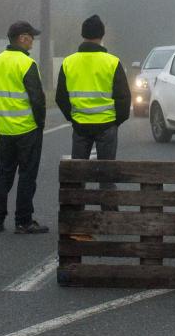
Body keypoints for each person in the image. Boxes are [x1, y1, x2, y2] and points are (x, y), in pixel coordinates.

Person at [56, 14, 131, 232]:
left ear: (83, 34)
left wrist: (73, 117)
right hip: (107, 125)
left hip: (80, 125)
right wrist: (116, 121)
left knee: (79, 174)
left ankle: (77, 217)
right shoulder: (112, 62)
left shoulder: (69, 62)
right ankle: (109, 216)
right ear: (102, 35)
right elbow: (123, 97)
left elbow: (60, 96)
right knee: (107, 174)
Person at [0, 21, 50, 234]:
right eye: (31, 36)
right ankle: (23, 221)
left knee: (4, 173)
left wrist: (3, 116)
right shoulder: (26, 63)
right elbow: (37, 99)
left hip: (5, 128)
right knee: (26, 174)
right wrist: (40, 123)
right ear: (23, 38)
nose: (33, 40)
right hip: (27, 129)